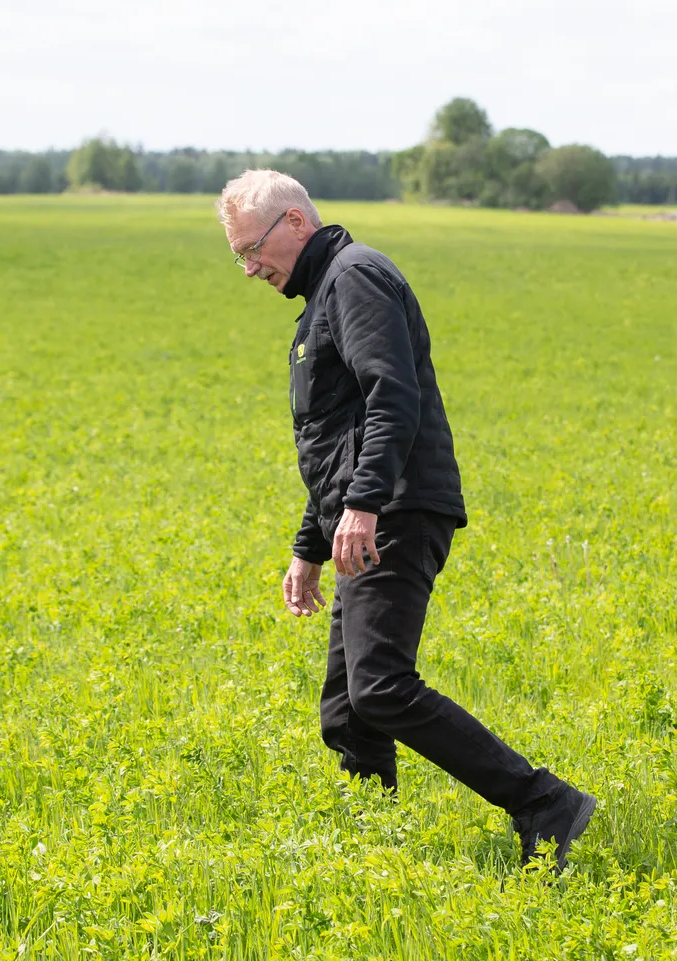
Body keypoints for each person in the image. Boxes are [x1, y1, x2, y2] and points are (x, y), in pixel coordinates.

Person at [216, 169, 597, 871]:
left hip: (395, 506)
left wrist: (362, 505)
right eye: (239, 255)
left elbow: (392, 398)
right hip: (369, 508)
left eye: (253, 249)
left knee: (379, 684)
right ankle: (370, 846)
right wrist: (308, 546)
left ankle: (545, 801)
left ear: (296, 222)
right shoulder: (321, 299)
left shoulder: (355, 277)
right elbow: (339, 436)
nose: (249, 268)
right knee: (346, 704)